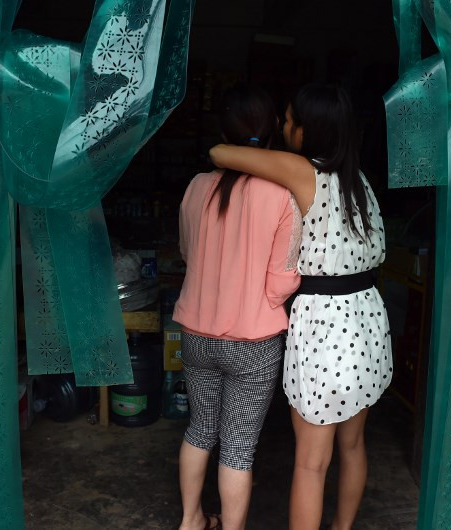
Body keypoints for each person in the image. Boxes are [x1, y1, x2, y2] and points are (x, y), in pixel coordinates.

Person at [210, 83, 391, 530]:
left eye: (289, 121)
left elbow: (220, 154)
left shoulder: (301, 171)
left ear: (308, 132)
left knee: (311, 465)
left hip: (326, 333)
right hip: (367, 323)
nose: (284, 126)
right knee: (352, 448)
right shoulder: (360, 182)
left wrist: (253, 139)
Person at [173, 85, 301, 530]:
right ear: (272, 136)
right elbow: (283, 280)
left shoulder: (195, 187)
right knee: (238, 448)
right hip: (253, 342)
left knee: (199, 430)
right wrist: (255, 303)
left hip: (196, 335)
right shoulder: (281, 195)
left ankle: (191, 521)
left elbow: (188, 255)